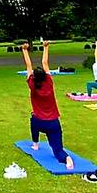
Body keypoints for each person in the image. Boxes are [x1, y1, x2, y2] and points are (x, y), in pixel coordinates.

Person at [22, 41, 74, 169]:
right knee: (58, 150)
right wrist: (46, 47)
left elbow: (28, 65)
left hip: (39, 122)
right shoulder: (49, 82)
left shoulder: (33, 85)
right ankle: (67, 159)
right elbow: (45, 63)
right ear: (45, 76)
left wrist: (24, 50)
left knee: (33, 119)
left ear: (34, 77)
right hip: (54, 123)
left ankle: (35, 143)